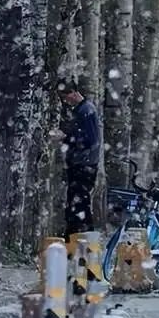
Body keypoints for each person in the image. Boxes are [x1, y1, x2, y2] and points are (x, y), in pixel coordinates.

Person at [52, 84, 101, 240]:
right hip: (80, 163)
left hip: (84, 165)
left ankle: (80, 237)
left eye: (65, 97)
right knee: (76, 202)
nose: (66, 101)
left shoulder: (86, 111)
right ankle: (75, 236)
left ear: (73, 93)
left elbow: (91, 140)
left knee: (79, 203)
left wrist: (65, 138)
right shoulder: (81, 110)